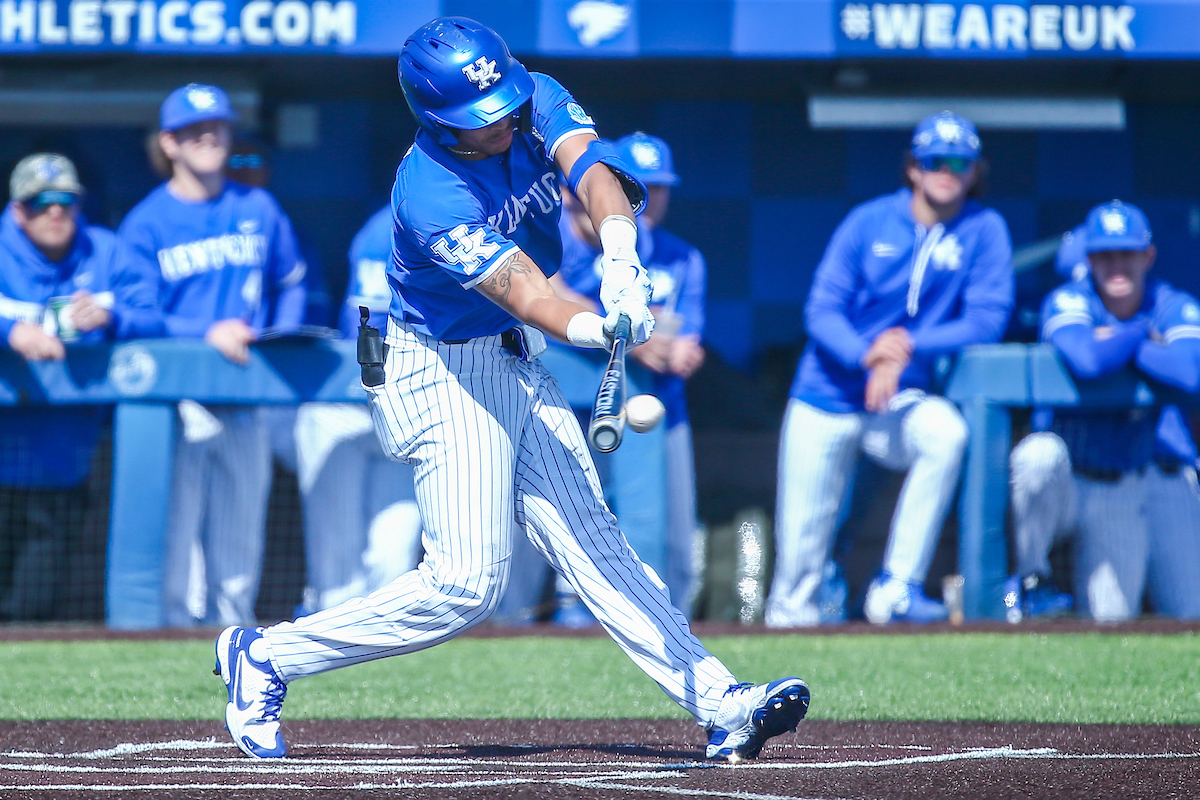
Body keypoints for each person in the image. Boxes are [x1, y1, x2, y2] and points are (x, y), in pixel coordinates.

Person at [213, 17, 807, 764]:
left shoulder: (531, 97)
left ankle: (724, 705)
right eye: (481, 120)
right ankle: (267, 657)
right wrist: (594, 327)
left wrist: (620, 252)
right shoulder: (427, 193)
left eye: (505, 108)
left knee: (596, 541)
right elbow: (526, 291)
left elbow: (595, 172)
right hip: (436, 366)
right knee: (464, 587)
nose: (502, 125)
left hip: (510, 357)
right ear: (436, 118)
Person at [766, 111, 1014, 627]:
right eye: (935, 160)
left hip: (896, 398)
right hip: (826, 395)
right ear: (913, 168)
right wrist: (869, 354)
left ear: (975, 171)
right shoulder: (870, 220)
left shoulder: (983, 228)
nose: (947, 171)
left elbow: (988, 320)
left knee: (945, 434)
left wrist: (903, 346)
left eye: (960, 162)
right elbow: (821, 311)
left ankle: (896, 587)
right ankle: (788, 641)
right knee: (800, 559)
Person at [118, 83, 308, 628]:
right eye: (193, 131)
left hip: (246, 392)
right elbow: (134, 316)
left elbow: (292, 280)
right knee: (178, 536)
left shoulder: (257, 205)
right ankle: (175, 637)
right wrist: (208, 330)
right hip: (180, 400)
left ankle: (236, 641)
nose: (209, 137)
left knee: (240, 535)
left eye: (218, 127)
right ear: (169, 144)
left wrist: (277, 333)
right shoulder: (147, 222)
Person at [539, 132, 706, 620]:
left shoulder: (679, 254)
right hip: (575, 404)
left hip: (659, 409)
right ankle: (562, 612)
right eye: (640, 187)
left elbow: (689, 338)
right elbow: (551, 296)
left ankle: (661, 624)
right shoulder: (559, 234)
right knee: (568, 520)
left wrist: (680, 352)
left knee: (668, 539)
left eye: (660, 187)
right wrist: (633, 336)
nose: (650, 200)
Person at [1007, 200, 1200, 622]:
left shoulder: (1170, 303)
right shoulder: (1068, 300)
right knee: (1036, 456)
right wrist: (1141, 337)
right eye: (1105, 255)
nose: (1117, 265)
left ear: (1147, 256)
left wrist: (1120, 338)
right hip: (1068, 478)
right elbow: (1088, 361)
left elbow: (1190, 373)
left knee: (1115, 621)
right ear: (1089, 259)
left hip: (1124, 480)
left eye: (1127, 253)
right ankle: (1030, 579)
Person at [0, 153, 162, 620]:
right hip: (4, 459)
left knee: (32, 611)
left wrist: (114, 316)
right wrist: (10, 332)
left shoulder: (105, 252)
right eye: (40, 202)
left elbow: (154, 315)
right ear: (17, 210)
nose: (55, 211)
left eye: (66, 201)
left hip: (63, 468)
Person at [292, 205, 423, 614]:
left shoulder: (490, 216)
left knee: (395, 561)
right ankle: (321, 662)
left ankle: (384, 671)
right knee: (336, 575)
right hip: (342, 410)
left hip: (409, 411)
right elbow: (376, 325)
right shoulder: (385, 228)